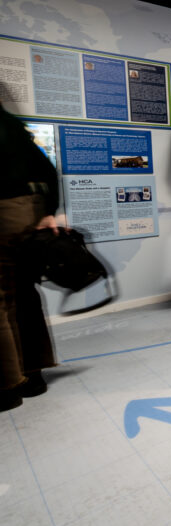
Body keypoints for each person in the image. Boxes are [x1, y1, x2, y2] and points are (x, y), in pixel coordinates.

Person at [0, 103, 60, 411]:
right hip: (26, 213)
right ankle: (34, 376)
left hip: (2, 212)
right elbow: (48, 171)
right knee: (23, 292)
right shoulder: (11, 126)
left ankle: (8, 386)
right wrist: (49, 211)